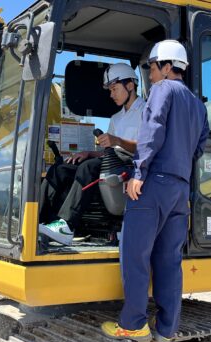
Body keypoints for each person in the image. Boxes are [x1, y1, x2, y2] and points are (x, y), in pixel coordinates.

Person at [101, 40, 209, 342]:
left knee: (135, 255)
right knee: (168, 260)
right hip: (180, 188)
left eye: (151, 67)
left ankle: (134, 324)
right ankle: (166, 329)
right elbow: (199, 147)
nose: (149, 74)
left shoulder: (163, 90)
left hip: (153, 185)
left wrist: (139, 172)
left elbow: (153, 129)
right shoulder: (198, 105)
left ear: (166, 66)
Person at [39, 63, 145, 245]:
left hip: (130, 166)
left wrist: (117, 141)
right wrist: (89, 153)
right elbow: (108, 152)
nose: (111, 95)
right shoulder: (116, 118)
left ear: (130, 85)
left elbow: (146, 148)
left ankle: (66, 225)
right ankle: (38, 221)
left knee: (88, 168)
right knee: (61, 169)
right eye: (110, 90)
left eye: (114, 89)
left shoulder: (147, 111)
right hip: (110, 161)